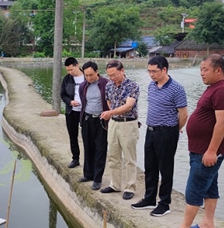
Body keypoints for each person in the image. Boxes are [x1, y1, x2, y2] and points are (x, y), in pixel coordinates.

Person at [163, 54, 224, 228]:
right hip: (201, 149)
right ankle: (207, 223)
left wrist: (212, 150)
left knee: (194, 187)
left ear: (218, 70)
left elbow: (222, 123)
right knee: (210, 186)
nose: (201, 73)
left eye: (205, 70)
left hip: (208, 150)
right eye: (200, 70)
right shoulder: (214, 88)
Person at [132, 56, 188, 217]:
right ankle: (149, 198)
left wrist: (175, 129)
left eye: (154, 71)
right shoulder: (152, 85)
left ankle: (164, 203)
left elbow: (184, 114)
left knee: (165, 169)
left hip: (167, 132)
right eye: (149, 71)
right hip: (151, 131)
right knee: (150, 167)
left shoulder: (177, 88)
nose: (151, 75)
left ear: (164, 70)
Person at [99, 60, 140, 200]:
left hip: (128, 123)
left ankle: (130, 187)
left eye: (114, 74)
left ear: (122, 71)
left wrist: (111, 113)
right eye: (109, 75)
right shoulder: (109, 85)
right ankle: (115, 184)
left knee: (129, 157)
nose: (112, 78)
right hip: (114, 123)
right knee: (113, 156)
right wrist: (112, 113)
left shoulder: (132, 85)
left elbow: (128, 106)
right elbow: (109, 101)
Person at [77, 61, 110, 190]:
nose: (89, 78)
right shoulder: (83, 86)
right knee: (88, 147)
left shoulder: (105, 84)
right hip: (87, 119)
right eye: (86, 75)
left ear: (97, 72)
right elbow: (83, 101)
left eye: (91, 75)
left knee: (100, 150)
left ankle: (97, 178)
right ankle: (88, 174)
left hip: (101, 121)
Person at [60, 57, 84, 169]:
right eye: (68, 70)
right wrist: (70, 102)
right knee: (73, 136)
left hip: (85, 112)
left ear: (77, 65)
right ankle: (75, 158)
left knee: (87, 137)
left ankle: (89, 161)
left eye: (71, 69)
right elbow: (63, 95)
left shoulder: (87, 76)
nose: (70, 72)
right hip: (72, 112)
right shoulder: (67, 79)